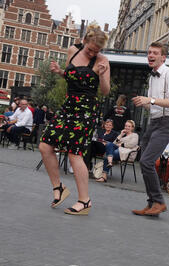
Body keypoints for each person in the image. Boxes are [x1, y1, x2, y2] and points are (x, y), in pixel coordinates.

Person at [39, 23, 110, 215]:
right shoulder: (72, 50)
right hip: (69, 105)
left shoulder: (102, 61)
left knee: (74, 152)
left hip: (86, 109)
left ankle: (84, 201)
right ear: (84, 41)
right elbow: (71, 76)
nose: (93, 53)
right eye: (90, 49)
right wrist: (59, 72)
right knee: (45, 146)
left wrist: (102, 76)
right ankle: (58, 188)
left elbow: (105, 91)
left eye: (97, 51)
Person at [131, 42, 169, 217]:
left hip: (166, 123)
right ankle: (151, 202)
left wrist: (150, 100)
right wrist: (144, 102)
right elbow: (154, 104)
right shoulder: (153, 77)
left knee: (146, 161)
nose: (150, 55)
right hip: (154, 122)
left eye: (155, 53)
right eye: (149, 52)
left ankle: (159, 201)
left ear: (163, 57)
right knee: (144, 162)